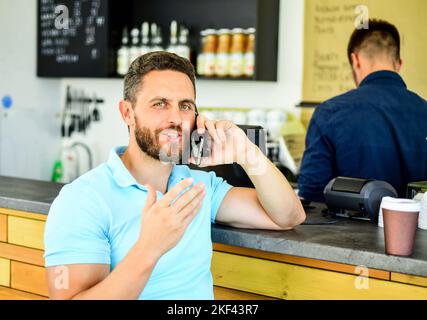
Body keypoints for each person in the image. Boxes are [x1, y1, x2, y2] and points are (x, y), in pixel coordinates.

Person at [44, 51, 305, 300]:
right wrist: (150, 247)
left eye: (185, 106)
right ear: (127, 113)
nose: (176, 118)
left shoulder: (198, 185)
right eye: (159, 104)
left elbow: (288, 216)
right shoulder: (81, 200)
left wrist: (247, 153)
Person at [298, 19, 427, 203]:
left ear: (355, 59)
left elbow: (311, 194)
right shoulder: (424, 112)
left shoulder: (329, 113)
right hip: (416, 230)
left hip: (345, 231)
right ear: (399, 64)